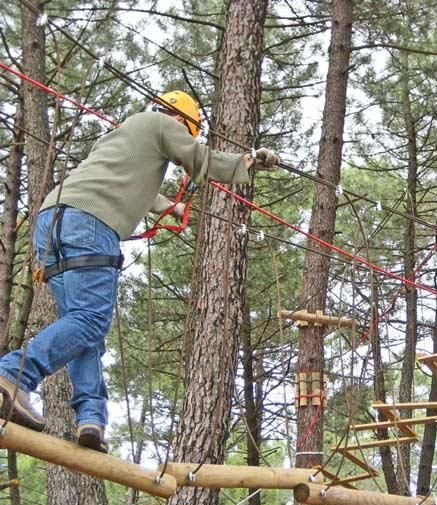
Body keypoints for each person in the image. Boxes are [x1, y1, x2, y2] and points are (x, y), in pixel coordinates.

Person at [0, 90, 278, 452]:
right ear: (182, 121)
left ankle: (91, 418)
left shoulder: (126, 134)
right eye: (187, 132)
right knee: (89, 321)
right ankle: (12, 374)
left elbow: (131, 187)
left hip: (52, 222)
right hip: (90, 223)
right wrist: (249, 161)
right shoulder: (164, 123)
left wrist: (170, 208)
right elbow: (201, 160)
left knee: (84, 330)